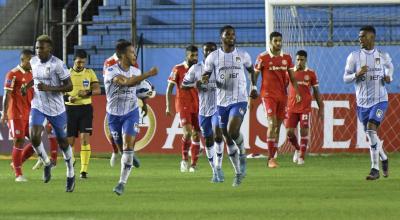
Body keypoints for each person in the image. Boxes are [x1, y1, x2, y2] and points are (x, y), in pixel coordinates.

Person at [202, 25, 258, 186]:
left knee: (232, 131)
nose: (231, 37)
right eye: (228, 34)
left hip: (239, 99)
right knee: (227, 138)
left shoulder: (243, 55)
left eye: (233, 34)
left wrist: (253, 87)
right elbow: (206, 74)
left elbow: (251, 71)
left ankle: (243, 152)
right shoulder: (213, 57)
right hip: (221, 103)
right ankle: (238, 173)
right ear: (222, 37)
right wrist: (204, 80)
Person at [104, 40, 158, 195]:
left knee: (128, 146)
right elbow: (127, 83)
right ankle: (129, 155)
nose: (134, 55)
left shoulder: (136, 71)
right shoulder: (111, 71)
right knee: (122, 149)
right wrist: (148, 74)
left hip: (131, 112)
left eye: (134, 52)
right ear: (122, 55)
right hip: (114, 115)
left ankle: (121, 183)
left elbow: (139, 88)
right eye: (131, 52)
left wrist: (145, 103)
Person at [343, 25, 392, 180]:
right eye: (359, 37)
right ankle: (383, 156)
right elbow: (345, 78)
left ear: (372, 37)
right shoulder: (354, 57)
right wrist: (356, 74)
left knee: (371, 130)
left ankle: (374, 169)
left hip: (380, 100)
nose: (360, 39)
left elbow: (389, 68)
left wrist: (389, 77)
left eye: (363, 36)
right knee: (371, 135)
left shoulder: (382, 56)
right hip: (362, 103)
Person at [28, 35, 75, 192]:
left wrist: (50, 89)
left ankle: (70, 172)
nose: (38, 50)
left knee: (63, 142)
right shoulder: (33, 62)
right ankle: (47, 162)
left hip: (56, 109)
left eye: (41, 48)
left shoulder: (58, 65)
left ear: (50, 49)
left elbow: (69, 86)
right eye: (36, 48)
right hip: (38, 105)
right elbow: (35, 79)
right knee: (34, 136)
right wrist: (27, 86)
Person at [254, 31, 301, 168]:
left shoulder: (287, 57)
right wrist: (252, 87)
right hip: (268, 95)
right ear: (270, 42)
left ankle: (273, 155)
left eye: (280, 41)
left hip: (282, 96)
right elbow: (255, 74)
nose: (278, 43)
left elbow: (292, 77)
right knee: (272, 124)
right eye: (275, 41)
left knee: (278, 126)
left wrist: (297, 92)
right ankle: (270, 159)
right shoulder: (262, 57)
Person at [182, 42, 225, 182]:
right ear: (204, 52)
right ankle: (214, 171)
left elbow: (230, 85)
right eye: (207, 51)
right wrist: (196, 84)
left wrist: (218, 84)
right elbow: (183, 84)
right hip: (203, 111)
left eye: (212, 51)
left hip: (218, 107)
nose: (209, 53)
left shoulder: (222, 68)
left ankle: (219, 165)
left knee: (218, 131)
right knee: (208, 139)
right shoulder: (196, 68)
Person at [103, 39, 140, 167]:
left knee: (129, 133)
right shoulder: (109, 63)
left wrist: (143, 99)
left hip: (129, 103)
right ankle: (116, 151)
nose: (133, 54)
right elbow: (111, 82)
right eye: (130, 51)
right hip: (114, 102)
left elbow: (136, 82)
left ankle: (129, 152)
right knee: (113, 132)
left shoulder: (133, 63)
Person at [65, 49, 101, 179]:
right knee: (70, 141)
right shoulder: (66, 73)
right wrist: (68, 99)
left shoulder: (89, 73)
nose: (81, 64)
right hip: (70, 109)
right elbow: (58, 93)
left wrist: (87, 93)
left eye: (83, 62)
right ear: (74, 60)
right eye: (79, 62)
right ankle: (71, 163)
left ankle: (84, 171)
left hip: (85, 109)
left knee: (85, 138)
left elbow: (98, 89)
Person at [1, 49, 36, 181]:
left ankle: (16, 163)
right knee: (19, 140)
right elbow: (7, 94)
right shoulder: (12, 74)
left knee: (36, 141)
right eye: (30, 60)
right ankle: (18, 174)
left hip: (28, 113)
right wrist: (4, 113)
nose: (32, 63)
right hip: (15, 113)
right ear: (23, 60)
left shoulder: (32, 74)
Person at [166, 45, 201, 172]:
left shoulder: (200, 69)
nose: (195, 58)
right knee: (187, 133)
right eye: (192, 55)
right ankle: (184, 159)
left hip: (197, 104)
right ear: (187, 56)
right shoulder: (178, 69)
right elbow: (169, 88)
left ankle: (193, 165)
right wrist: (168, 106)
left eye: (196, 55)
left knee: (196, 135)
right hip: (182, 104)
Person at [285, 50, 323, 165]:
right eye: (297, 59)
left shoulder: (311, 73)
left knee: (304, 129)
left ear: (306, 60)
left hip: (305, 107)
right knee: (289, 132)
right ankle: (297, 148)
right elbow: (283, 88)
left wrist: (321, 107)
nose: (299, 62)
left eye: (301, 59)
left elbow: (316, 92)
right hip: (291, 107)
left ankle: (302, 155)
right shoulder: (289, 73)